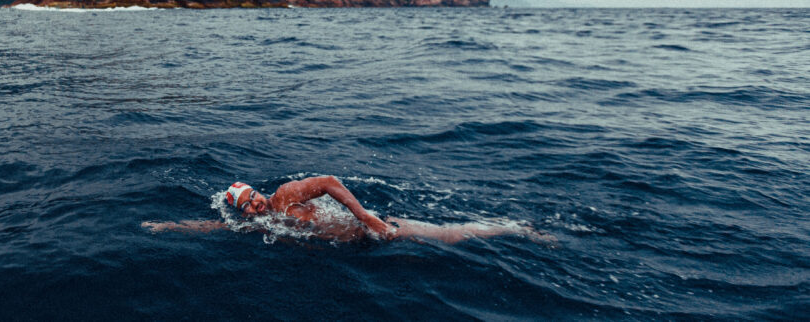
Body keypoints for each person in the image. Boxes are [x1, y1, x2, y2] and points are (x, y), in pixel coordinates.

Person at [142, 175, 552, 244]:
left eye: (255, 195)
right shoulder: (258, 225)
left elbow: (331, 183)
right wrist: (169, 226)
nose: (257, 203)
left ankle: (516, 229)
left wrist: (366, 217)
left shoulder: (285, 195)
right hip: (361, 250)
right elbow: (212, 227)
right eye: (248, 204)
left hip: (376, 231)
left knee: (453, 236)